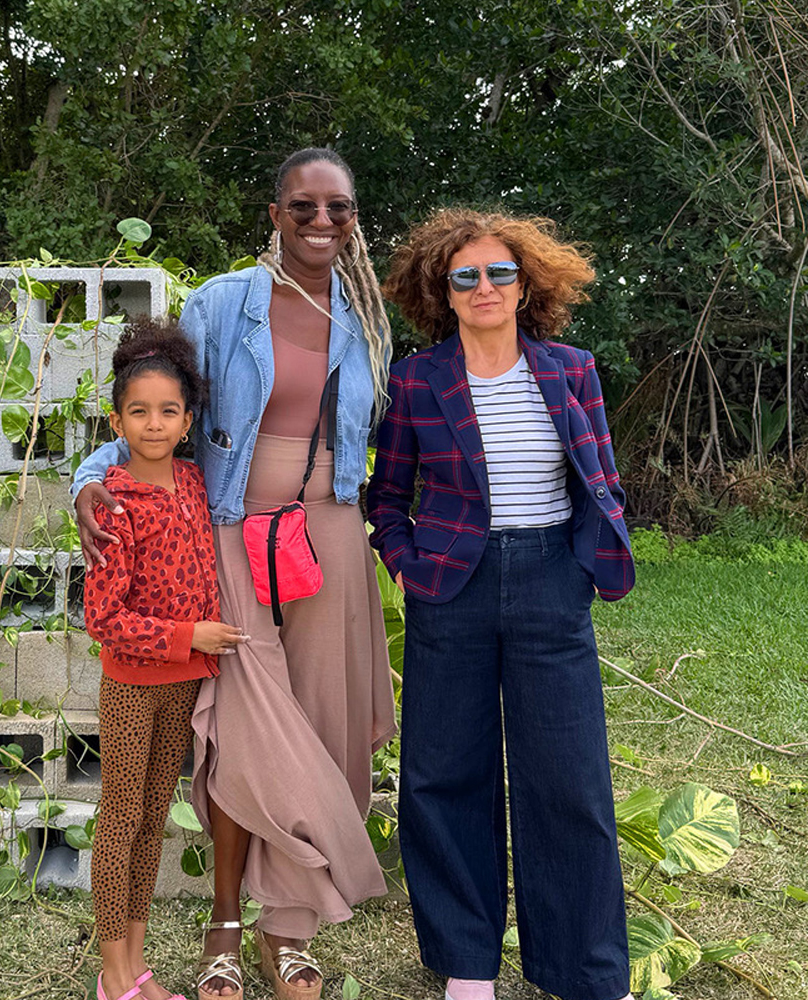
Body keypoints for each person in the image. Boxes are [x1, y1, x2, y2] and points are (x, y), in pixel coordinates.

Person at [75, 148, 398, 1000]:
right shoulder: (224, 304)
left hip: (329, 535)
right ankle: (223, 926)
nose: (321, 222)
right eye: (303, 207)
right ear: (274, 213)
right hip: (230, 536)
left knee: (323, 728)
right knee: (244, 734)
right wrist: (87, 478)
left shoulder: (367, 315)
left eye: (338, 208)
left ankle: (286, 929)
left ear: (354, 217)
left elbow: (382, 439)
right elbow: (157, 411)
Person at [367, 208, 635, 1000]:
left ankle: (585, 973)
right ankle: (467, 965)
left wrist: (584, 566)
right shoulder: (418, 380)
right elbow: (386, 495)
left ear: (526, 286)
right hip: (453, 587)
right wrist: (408, 563)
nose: (485, 287)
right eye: (466, 277)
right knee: (444, 774)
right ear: (441, 292)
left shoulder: (571, 369)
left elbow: (602, 478)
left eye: (500, 273)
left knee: (570, 780)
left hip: (552, 581)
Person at [82, 317, 245, 1000]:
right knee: (119, 818)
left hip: (183, 686)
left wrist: (195, 651)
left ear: (187, 422)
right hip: (133, 685)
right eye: (139, 411)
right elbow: (103, 618)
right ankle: (112, 971)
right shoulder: (112, 504)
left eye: (168, 411)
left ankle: (137, 965)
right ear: (117, 420)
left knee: (153, 815)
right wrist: (189, 638)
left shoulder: (194, 484)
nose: (154, 423)